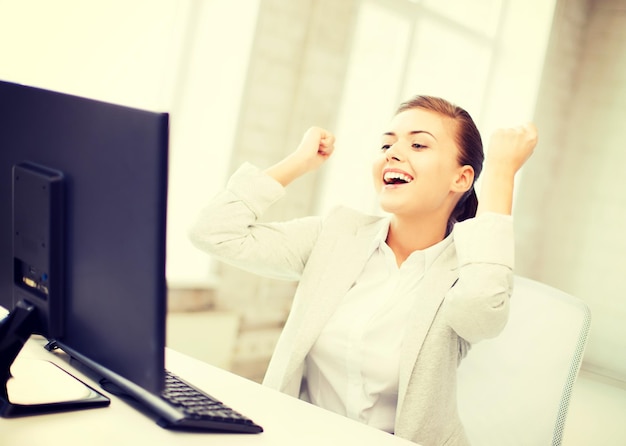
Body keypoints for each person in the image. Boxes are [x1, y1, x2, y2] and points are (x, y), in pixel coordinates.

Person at [189, 95, 538, 445]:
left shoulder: (470, 270)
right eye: (387, 143)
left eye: (418, 144)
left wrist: (500, 175)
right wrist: (298, 162)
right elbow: (214, 232)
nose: (393, 152)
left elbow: (481, 313)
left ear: (462, 179)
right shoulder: (338, 234)